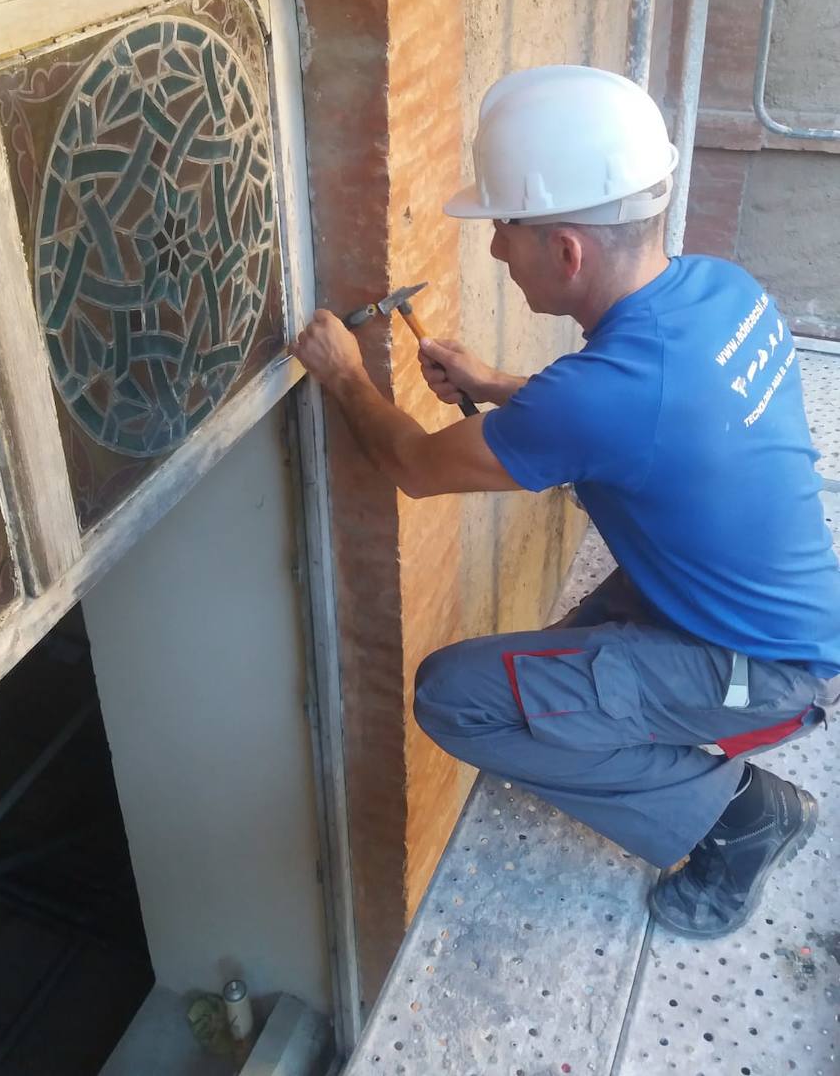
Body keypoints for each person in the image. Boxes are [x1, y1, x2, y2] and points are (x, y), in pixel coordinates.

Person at [292, 65, 840, 940]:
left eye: (503, 229)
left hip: (768, 672)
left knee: (456, 698)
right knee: (547, 690)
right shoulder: (718, 287)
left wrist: (343, 376)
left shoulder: (599, 396)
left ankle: (738, 819)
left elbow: (415, 466)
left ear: (567, 250)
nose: (494, 250)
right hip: (771, 612)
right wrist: (495, 384)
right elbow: (644, 419)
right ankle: (693, 765)